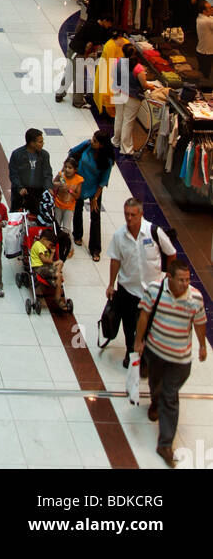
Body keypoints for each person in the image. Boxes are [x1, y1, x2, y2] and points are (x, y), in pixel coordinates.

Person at [133, 259, 206, 467]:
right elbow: (144, 316)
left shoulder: (196, 298)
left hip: (180, 360)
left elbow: (200, 323)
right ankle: (155, 402)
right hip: (155, 353)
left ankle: (165, 444)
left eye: (188, 279)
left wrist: (202, 345)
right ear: (170, 278)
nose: (185, 284)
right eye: (181, 280)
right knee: (156, 385)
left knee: (170, 395)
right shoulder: (155, 290)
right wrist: (138, 340)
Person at [108, 198, 176, 369]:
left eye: (133, 215)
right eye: (126, 214)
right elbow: (115, 260)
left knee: (150, 324)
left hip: (152, 291)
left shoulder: (155, 232)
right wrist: (111, 284)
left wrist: (168, 275)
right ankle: (130, 351)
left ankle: (145, 350)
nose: (129, 218)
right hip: (128, 289)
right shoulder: (119, 236)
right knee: (129, 324)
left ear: (141, 214)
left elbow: (171, 253)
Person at [69, 130, 115, 260]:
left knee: (95, 215)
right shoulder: (86, 145)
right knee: (77, 209)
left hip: (94, 188)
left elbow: (103, 181)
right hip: (79, 184)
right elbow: (72, 152)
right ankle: (77, 234)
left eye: (95, 141)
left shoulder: (107, 160)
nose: (92, 141)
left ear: (102, 145)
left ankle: (95, 248)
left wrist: (95, 198)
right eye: (93, 139)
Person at [8, 129, 53, 214]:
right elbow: (13, 174)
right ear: (32, 143)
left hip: (37, 193)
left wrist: (48, 188)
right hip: (21, 193)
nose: (43, 144)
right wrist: (20, 187)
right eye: (40, 142)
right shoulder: (17, 154)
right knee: (17, 218)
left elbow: (47, 174)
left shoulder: (44, 155)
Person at [29, 228, 69, 310]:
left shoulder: (45, 247)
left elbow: (49, 260)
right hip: (39, 267)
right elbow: (44, 260)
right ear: (44, 239)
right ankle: (58, 298)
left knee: (61, 262)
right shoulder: (38, 245)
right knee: (59, 275)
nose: (50, 247)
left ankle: (56, 278)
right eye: (50, 244)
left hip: (46, 267)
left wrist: (53, 253)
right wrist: (52, 262)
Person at [52, 156, 83, 236]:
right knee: (56, 226)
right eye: (65, 167)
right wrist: (58, 184)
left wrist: (69, 190)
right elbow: (52, 183)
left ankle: (67, 245)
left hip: (69, 207)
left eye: (70, 167)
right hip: (58, 204)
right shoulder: (61, 175)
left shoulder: (78, 180)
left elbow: (77, 196)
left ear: (75, 170)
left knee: (66, 228)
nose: (67, 169)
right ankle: (56, 243)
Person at [195, 2, 213, 81]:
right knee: (205, 77)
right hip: (206, 53)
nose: (212, 9)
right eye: (209, 8)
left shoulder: (201, 17)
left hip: (202, 51)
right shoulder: (206, 21)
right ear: (204, 11)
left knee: (202, 74)